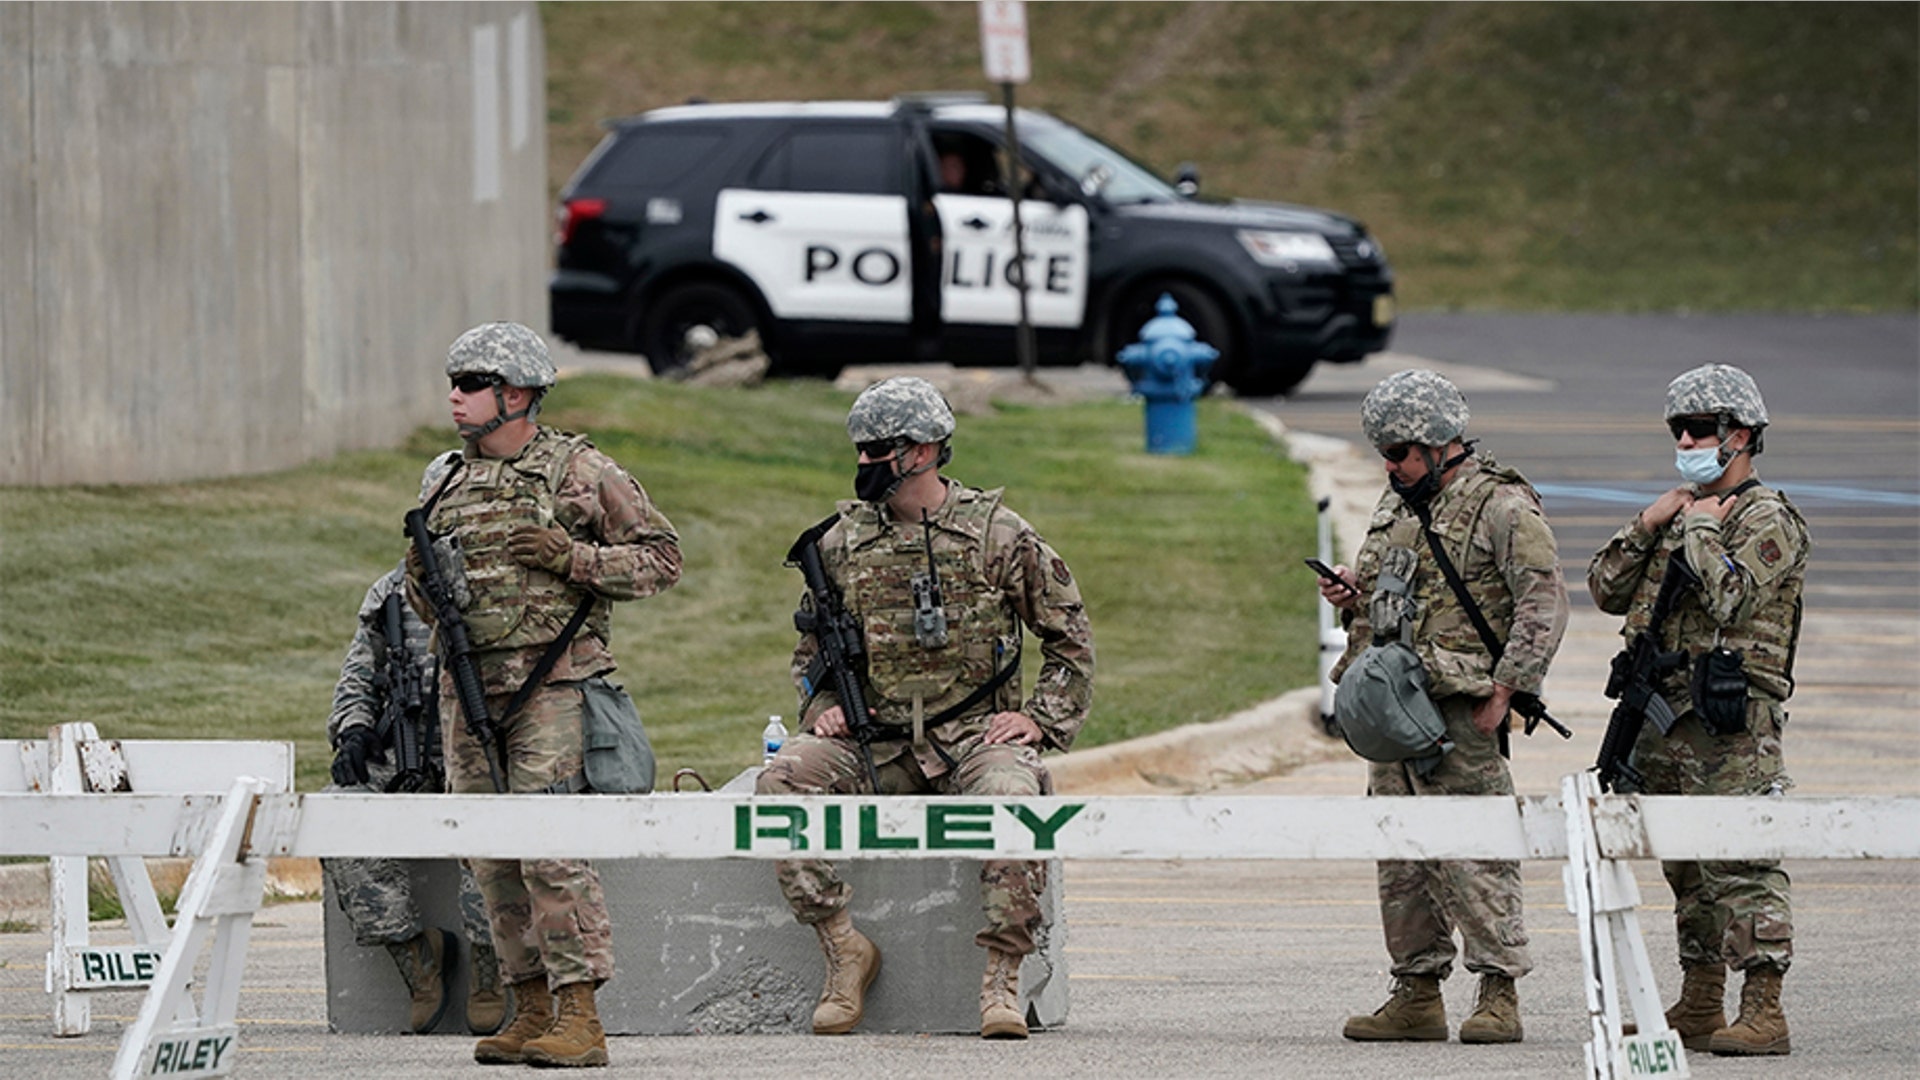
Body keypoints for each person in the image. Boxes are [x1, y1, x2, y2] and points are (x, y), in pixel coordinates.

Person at [756, 375, 1094, 1040]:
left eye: (877, 449)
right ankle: (843, 948)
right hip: (873, 736)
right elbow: (810, 653)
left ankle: (1001, 975)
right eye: (858, 450)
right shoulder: (839, 546)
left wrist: (1041, 719)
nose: (863, 463)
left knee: (1010, 795)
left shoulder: (999, 535)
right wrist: (824, 704)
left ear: (926, 450)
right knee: (782, 782)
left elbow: (1070, 638)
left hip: (975, 735)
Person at [409, 321, 682, 1068]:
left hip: (551, 688)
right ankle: (528, 1005)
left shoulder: (580, 471)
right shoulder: (445, 481)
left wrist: (575, 558)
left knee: (552, 852)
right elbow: (419, 581)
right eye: (454, 385)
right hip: (469, 693)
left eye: (472, 385)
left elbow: (662, 559)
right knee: (491, 856)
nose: (456, 399)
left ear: (517, 394)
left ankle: (580, 1016)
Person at [1320, 369, 1568, 1045]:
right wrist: (1352, 592)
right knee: (1401, 857)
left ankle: (1498, 992)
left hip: (1462, 708)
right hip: (1394, 708)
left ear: (1439, 444)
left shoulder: (1503, 507)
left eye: (1398, 453)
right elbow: (1386, 587)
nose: (1390, 466)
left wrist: (1508, 694)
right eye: (1385, 454)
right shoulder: (1401, 503)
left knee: (1476, 852)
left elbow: (1543, 602)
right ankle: (1416, 991)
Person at [1587, 363, 1808, 1057]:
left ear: (1741, 435)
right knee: (1685, 865)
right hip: (1666, 715)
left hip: (1731, 719)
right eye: (1678, 428)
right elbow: (1604, 589)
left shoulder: (1768, 518)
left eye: (1701, 429)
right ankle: (1702, 998)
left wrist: (1703, 533)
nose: (1686, 439)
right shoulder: (1680, 510)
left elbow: (1732, 599)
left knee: (1741, 860)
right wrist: (1648, 522)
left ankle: (1764, 1007)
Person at [323, 450, 506, 1036]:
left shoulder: (505, 588)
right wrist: (353, 730)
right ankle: (414, 955)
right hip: (404, 748)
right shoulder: (392, 595)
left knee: (489, 823)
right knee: (339, 815)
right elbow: (358, 673)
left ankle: (489, 962)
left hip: (476, 747)